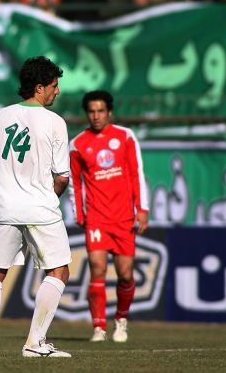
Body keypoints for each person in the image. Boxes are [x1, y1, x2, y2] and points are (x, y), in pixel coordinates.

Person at [0, 56, 72, 358]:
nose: (57, 91)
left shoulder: (1, 116)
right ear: (40, 87)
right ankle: (35, 343)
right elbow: (62, 176)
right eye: (54, 86)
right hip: (42, 211)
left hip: (5, 210)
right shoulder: (55, 122)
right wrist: (49, 196)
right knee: (59, 271)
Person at [68, 90, 149, 343]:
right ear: (87, 114)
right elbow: (75, 182)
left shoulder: (125, 136)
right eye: (91, 111)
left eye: (101, 111)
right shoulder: (78, 144)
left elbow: (137, 173)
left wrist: (142, 210)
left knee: (125, 274)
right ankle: (99, 328)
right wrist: (79, 213)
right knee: (97, 268)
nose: (96, 116)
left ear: (109, 112)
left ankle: (121, 320)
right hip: (96, 218)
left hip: (124, 217)